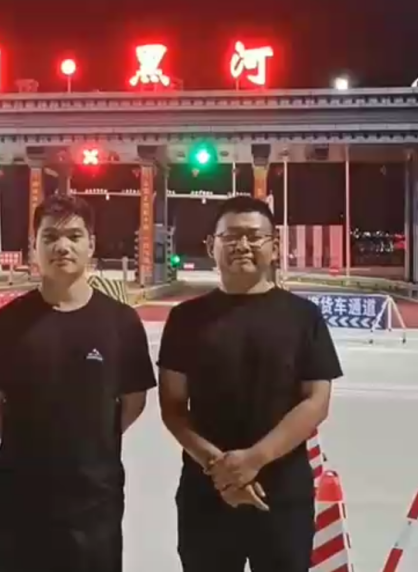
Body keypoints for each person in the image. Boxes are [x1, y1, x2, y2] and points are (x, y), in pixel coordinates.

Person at [157, 195, 343, 572]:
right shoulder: (185, 319)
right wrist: (221, 468)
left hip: (282, 495)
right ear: (211, 245)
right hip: (206, 492)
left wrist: (253, 460)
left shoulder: (303, 317)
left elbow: (316, 402)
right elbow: (172, 406)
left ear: (274, 246)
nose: (242, 245)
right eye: (230, 236)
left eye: (254, 236)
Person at [0, 194, 157, 572]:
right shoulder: (4, 325)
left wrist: (89, 440)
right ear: (34, 247)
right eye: (50, 237)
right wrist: (32, 442)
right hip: (20, 497)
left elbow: (134, 400)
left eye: (74, 236)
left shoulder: (121, 322)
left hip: (94, 500)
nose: (62, 247)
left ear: (91, 244)